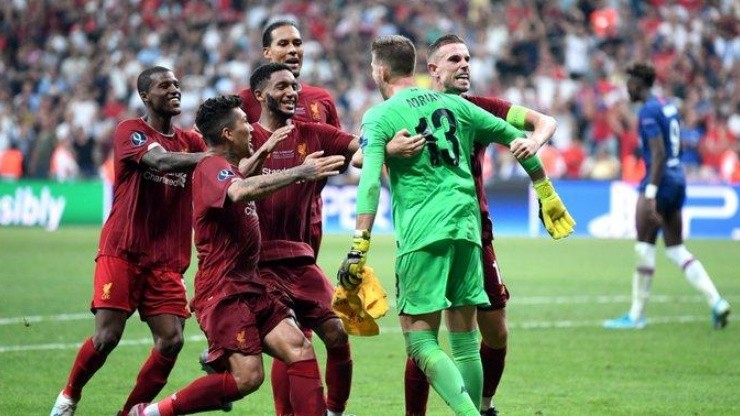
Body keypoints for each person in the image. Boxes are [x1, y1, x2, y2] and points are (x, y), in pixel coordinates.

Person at [339, 35, 574, 416]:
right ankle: (480, 407)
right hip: (469, 232)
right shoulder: (458, 106)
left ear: (380, 71)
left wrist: (359, 245)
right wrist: (545, 191)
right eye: (456, 58)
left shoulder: (379, 116)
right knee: (465, 341)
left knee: (420, 343)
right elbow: (518, 141)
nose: (464, 65)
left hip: (423, 233)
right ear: (423, 68)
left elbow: (367, 181)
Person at [127, 95, 346, 416]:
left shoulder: (228, 167)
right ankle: (152, 413)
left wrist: (266, 149)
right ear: (228, 133)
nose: (250, 127)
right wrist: (301, 171)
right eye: (245, 122)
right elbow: (240, 190)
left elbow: (243, 174)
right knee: (248, 378)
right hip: (224, 293)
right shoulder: (210, 165)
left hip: (252, 288)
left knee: (299, 348)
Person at [402, 33, 564, 416]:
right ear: (433, 69)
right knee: (425, 333)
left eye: (468, 59)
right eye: (454, 59)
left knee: (495, 331)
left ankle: (484, 405)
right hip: (425, 232)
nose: (464, 65)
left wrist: (535, 141)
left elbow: (545, 121)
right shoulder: (406, 110)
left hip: (475, 233)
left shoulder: (479, 108)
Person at [50, 66, 208, 416]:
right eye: (164, 85)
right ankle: (69, 395)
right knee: (107, 337)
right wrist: (212, 157)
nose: (174, 90)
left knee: (172, 340)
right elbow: (161, 161)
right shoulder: (130, 131)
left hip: (166, 260)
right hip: (123, 250)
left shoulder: (191, 142)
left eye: (177, 85)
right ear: (144, 96)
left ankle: (128, 414)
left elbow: (217, 167)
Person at [236, 22, 345, 414]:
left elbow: (337, 154)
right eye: (284, 43)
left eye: (299, 43)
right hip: (259, 229)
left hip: (306, 225)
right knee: (289, 329)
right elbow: (223, 160)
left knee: (310, 326)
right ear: (267, 52)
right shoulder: (244, 102)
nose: (294, 49)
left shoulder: (320, 100)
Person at [248, 62, 368, 416]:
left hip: (301, 261)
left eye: (294, 86)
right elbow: (232, 180)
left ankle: (334, 411)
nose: (292, 92)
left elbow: (359, 150)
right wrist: (297, 171)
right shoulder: (246, 137)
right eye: (282, 86)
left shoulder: (313, 133)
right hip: (258, 265)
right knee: (293, 345)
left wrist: (380, 147)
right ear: (260, 95)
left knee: (338, 334)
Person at [603, 63, 731, 330]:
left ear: (639, 84)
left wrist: (650, 193)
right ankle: (716, 301)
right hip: (678, 179)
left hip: (659, 182)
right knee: (675, 248)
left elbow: (658, 152)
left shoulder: (648, 111)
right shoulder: (667, 105)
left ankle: (636, 316)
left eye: (629, 83)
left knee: (644, 247)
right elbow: (675, 146)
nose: (627, 87)